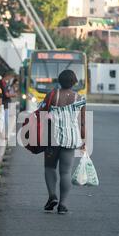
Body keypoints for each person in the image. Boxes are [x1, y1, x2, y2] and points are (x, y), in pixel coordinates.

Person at [42, 70, 86, 214]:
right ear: (74, 82)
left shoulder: (52, 95)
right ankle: (63, 204)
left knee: (49, 167)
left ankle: (52, 196)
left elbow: (42, 113)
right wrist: (84, 141)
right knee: (66, 172)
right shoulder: (80, 98)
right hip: (70, 138)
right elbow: (82, 123)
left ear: (59, 80)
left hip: (52, 137)